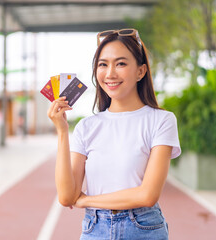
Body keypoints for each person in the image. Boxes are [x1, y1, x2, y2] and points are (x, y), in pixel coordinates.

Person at [47, 28, 181, 240]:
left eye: (121, 63)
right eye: (103, 64)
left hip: (144, 228)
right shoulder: (86, 126)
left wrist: (86, 200)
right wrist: (62, 132)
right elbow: (66, 196)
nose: (110, 73)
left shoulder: (161, 120)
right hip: (94, 229)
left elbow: (147, 195)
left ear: (141, 71)